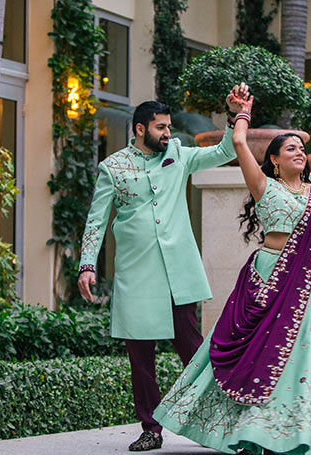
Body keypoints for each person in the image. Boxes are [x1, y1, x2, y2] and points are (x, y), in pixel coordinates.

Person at [153, 83, 311, 454]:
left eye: (303, 149)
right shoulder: (263, 186)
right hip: (264, 278)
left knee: (295, 358)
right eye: (291, 148)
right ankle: (243, 430)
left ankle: (288, 433)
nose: (300, 153)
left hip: (302, 288)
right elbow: (240, 145)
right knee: (248, 354)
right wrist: (240, 112)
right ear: (274, 159)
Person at [77, 93, 247, 452]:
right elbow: (96, 220)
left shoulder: (179, 155)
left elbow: (224, 153)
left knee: (195, 354)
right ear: (141, 129)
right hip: (136, 277)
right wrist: (88, 265)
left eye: (169, 126)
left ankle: (220, 421)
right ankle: (150, 429)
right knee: (141, 360)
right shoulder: (114, 167)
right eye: (161, 127)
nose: (169, 132)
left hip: (177, 274)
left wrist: (236, 116)